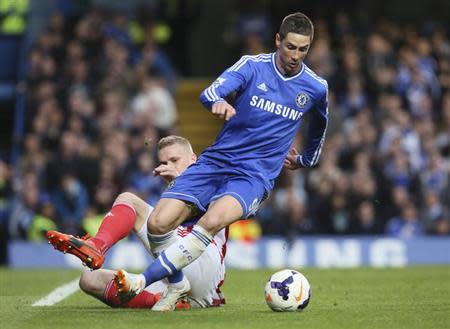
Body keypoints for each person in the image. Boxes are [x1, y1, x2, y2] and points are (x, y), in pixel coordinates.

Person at [116, 12, 329, 311]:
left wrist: (307, 159)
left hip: (254, 176)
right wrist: (217, 101)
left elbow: (320, 125)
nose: (295, 55)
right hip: (217, 161)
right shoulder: (252, 66)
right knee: (157, 223)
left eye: (302, 49)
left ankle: (142, 280)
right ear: (277, 41)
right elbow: (211, 91)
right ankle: (177, 285)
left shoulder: (315, 87)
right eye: (290, 46)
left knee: (212, 221)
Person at [47, 136, 226, 309]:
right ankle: (165, 299)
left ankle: (96, 246)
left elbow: (210, 211)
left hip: (202, 262)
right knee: (88, 279)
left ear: (193, 158)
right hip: (179, 278)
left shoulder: (209, 175)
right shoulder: (170, 191)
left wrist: (179, 180)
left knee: (129, 199)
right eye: (164, 163)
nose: (169, 166)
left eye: (174, 160)